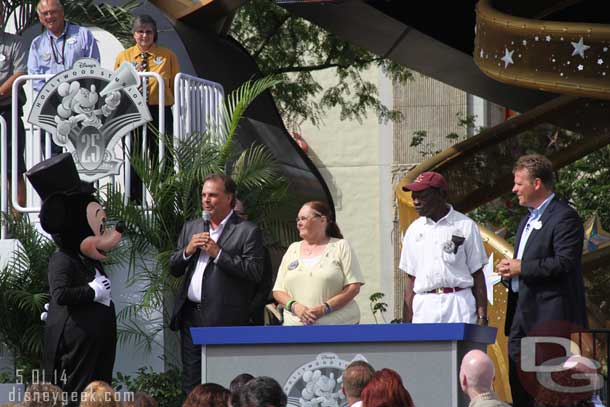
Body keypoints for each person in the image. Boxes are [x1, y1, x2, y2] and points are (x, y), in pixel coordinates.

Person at [496, 154, 587, 407]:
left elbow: (564, 263)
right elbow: (524, 267)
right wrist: (509, 271)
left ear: (537, 183)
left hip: (548, 320)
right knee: (520, 389)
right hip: (520, 320)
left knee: (547, 391)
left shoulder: (564, 217)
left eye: (519, 183)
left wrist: (521, 267)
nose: (514, 189)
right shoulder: (526, 219)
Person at [169, 173, 265, 396]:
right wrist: (188, 250)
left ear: (229, 198)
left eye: (213, 195)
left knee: (223, 380)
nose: (206, 200)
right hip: (191, 316)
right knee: (191, 382)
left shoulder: (247, 231)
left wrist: (218, 254)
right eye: (203, 195)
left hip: (224, 317)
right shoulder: (192, 227)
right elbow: (173, 267)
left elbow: (254, 272)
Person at [399, 171, 488, 324]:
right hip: (424, 307)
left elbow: (477, 274)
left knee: (461, 348)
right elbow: (410, 278)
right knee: (427, 348)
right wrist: (406, 322)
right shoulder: (414, 230)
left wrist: (482, 317)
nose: (416, 201)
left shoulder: (466, 225)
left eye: (422, 196)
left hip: (459, 303)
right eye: (414, 196)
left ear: (441, 194)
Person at [114, 14, 180, 203]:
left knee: (162, 155)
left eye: (148, 32)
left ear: (155, 34)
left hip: (160, 110)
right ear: (134, 34)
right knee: (135, 156)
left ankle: (165, 202)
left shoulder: (167, 56)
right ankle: (135, 202)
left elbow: (174, 85)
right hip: (134, 111)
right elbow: (117, 85)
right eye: (140, 32)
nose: (144, 35)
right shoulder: (124, 56)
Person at [272, 200, 364, 325]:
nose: (299, 223)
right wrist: (295, 307)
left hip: (338, 328)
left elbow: (353, 287)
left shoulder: (340, 246)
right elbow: (278, 291)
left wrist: (324, 308)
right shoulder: (292, 249)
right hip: (295, 330)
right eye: (298, 219)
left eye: (303, 218)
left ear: (322, 220)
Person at [27, 0, 100, 93]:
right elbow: (35, 78)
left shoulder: (83, 34)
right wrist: (52, 94)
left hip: (79, 96)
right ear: (40, 17)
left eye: (53, 12)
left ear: (62, 12)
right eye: (45, 13)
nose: (49, 16)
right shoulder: (37, 43)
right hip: (49, 100)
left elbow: (93, 67)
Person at [0, 21, 28, 208]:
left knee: (14, 169)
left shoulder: (15, 43)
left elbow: (20, 73)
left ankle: (18, 226)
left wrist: (1, 91)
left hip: (8, 111)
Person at [234, 198, 274, 325]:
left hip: (250, 318)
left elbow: (265, 285)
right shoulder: (213, 247)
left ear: (245, 217)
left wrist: (248, 310)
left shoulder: (260, 249)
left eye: (237, 214)